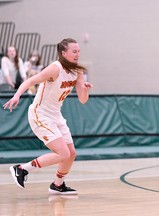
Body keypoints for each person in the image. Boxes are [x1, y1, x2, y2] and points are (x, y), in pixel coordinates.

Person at [3, 38, 93, 195]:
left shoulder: (77, 71)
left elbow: (83, 100)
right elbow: (30, 80)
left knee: (71, 154)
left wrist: (85, 89)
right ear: (64, 53)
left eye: (79, 51)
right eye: (74, 51)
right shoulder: (54, 69)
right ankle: (21, 169)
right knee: (63, 153)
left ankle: (57, 185)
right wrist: (17, 95)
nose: (78, 54)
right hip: (40, 114)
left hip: (55, 115)